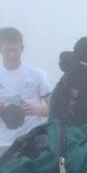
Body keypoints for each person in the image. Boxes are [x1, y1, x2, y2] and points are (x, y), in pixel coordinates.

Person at [0, 27, 51, 155]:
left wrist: (35, 110)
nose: (12, 55)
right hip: (2, 144)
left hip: (32, 142)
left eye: (15, 50)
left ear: (22, 48)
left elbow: (55, 109)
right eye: (7, 51)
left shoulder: (37, 75)